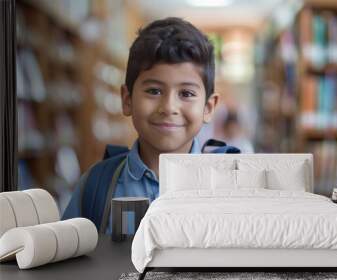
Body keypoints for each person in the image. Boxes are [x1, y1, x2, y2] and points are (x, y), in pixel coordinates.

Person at [63, 17, 220, 234]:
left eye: (186, 93)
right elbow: (70, 263)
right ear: (127, 100)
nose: (168, 107)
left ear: (208, 108)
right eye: (154, 91)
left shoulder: (226, 188)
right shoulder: (96, 185)